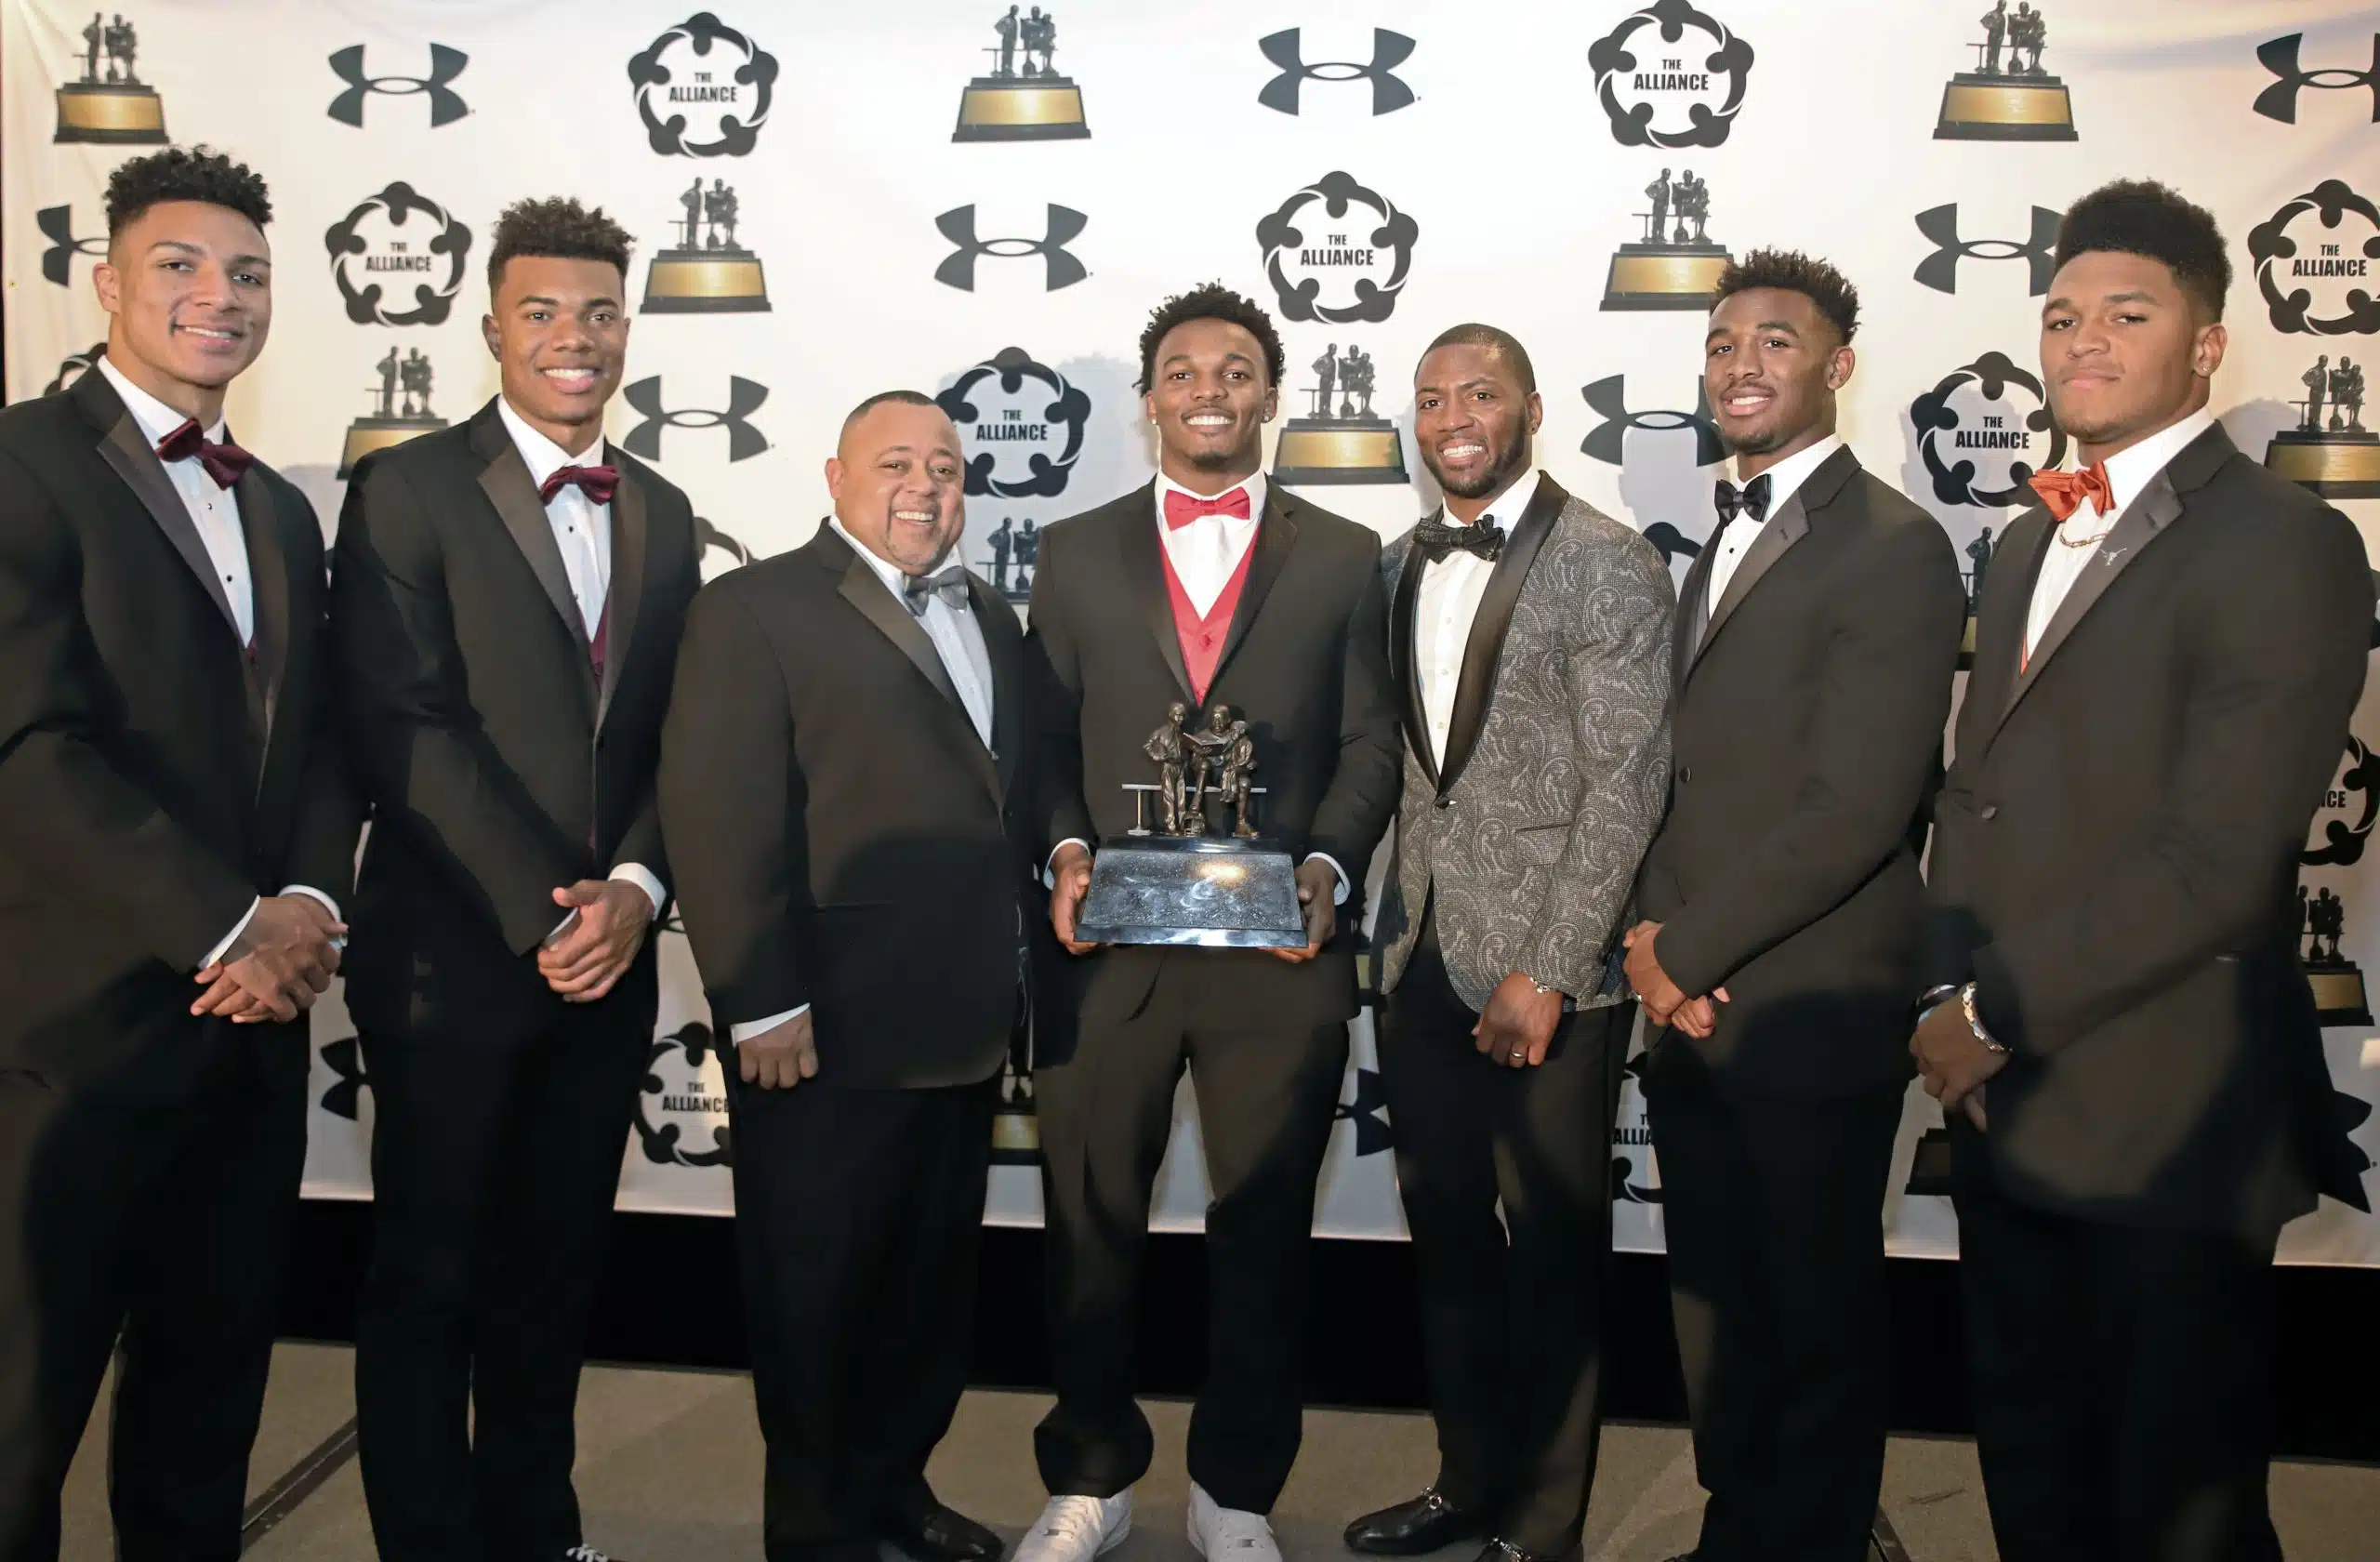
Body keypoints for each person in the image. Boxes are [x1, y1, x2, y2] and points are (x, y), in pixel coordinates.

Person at [1915, 179, 2373, 1562]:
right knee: (2034, 1477)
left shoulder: (2288, 541)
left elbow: (2219, 857)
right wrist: (1951, 1003)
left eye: (2129, 311)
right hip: (2004, 1114)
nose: (2084, 340)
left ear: (2210, 344)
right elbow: (1977, 800)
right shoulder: (2019, 541)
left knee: (2183, 1501)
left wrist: (1985, 1014)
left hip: (2168, 1116)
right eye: (2062, 316)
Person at [0, 145, 356, 1562]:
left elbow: (321, 742)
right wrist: (231, 927)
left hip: (249, 1045)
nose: (223, 294)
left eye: (250, 272)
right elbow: (29, 747)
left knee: (207, 1408)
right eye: (183, 265)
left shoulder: (276, 506)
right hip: (72, 1043)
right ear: (107, 284)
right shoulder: (21, 464)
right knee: (22, 1416)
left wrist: (311, 907)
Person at [333, 197, 701, 1562]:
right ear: (490, 326)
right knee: (430, 1276)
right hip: (449, 955)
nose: (575, 337)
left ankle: (536, 1530)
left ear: (629, 328)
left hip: (607, 959)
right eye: (543, 312)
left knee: (556, 1277)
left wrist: (639, 891)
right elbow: (402, 724)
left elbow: (679, 737)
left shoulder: (664, 507)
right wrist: (558, 910)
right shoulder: (407, 489)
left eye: (600, 312)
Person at [1019, 284, 1399, 1562]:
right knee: (1088, 1220)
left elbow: (1368, 742)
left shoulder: (1347, 553)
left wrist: (1333, 864)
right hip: (1106, 950)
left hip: (1278, 953)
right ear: (1149, 403)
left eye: (1235, 371)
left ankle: (1235, 1488)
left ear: (1271, 396)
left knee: (1264, 1232)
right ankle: (1089, 1474)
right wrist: (1067, 848)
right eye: (1183, 373)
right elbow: (1042, 742)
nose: (1209, 393)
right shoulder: (1072, 552)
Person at [1624, 250, 1965, 1562]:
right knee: (1717, 1300)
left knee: (1813, 1305)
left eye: (1775, 342)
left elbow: (1860, 802)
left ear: (1838, 366)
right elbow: (1683, 771)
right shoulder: (1720, 538)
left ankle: (1814, 1537)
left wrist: (1681, 953)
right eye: (1721, 346)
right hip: (1699, 997)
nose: (1741, 367)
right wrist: (1661, 951)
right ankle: (1741, 1523)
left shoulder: (1894, 543)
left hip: (1813, 996)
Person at [660, 391, 1029, 1562]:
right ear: (834, 476)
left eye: (947, 467)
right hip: (818, 1030)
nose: (926, 485)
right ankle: (814, 1533)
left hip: (963, 1026)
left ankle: (894, 1493)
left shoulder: (992, 618)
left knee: (927, 1299)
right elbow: (718, 816)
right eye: (896, 464)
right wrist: (760, 996)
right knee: (813, 1302)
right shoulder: (751, 608)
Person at [1344, 325, 1673, 1562]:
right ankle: (1465, 1483)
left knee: (1549, 1257)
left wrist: (1553, 964)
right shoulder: (1392, 565)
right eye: (1431, 399)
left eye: (1479, 392)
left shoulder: (1607, 561)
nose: (1453, 416)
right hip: (1417, 954)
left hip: (1548, 970)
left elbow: (1626, 783)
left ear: (1531, 407)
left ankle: (1543, 1527)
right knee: (1445, 1244)